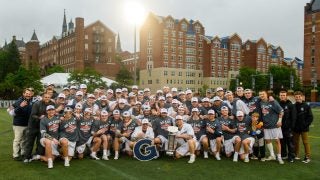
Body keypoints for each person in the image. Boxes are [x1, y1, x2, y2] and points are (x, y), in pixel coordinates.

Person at [23, 93, 55, 163]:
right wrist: (39, 117)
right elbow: (33, 115)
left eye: (48, 97)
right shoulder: (37, 104)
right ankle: (26, 157)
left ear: (50, 97)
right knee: (29, 142)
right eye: (45, 97)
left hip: (42, 127)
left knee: (40, 143)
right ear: (42, 97)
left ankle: (37, 156)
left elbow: (53, 113)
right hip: (33, 126)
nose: (47, 98)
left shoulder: (52, 104)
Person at [257, 90, 284, 164]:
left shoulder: (272, 101)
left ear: (266, 94)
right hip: (266, 125)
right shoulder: (260, 102)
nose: (261, 95)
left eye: (263, 94)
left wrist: (280, 121)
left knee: (277, 141)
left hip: (275, 125)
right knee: (268, 140)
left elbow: (281, 111)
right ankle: (272, 155)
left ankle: (279, 157)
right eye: (260, 94)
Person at [11, 88, 33, 161]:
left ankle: (23, 153)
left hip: (27, 124)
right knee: (17, 140)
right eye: (26, 93)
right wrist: (20, 106)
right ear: (23, 93)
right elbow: (12, 113)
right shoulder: (18, 101)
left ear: (31, 95)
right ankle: (15, 155)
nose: (28, 95)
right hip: (18, 125)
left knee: (24, 140)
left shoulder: (31, 102)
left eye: (29, 94)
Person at [293, 91, 313, 163]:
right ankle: (296, 155)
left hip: (304, 128)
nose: (297, 98)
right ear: (294, 98)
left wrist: (305, 125)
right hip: (295, 128)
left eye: (299, 97)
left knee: (305, 142)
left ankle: (307, 157)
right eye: (296, 97)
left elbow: (310, 117)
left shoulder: (306, 106)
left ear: (301, 97)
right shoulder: (293, 106)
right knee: (296, 142)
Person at [279, 90, 297, 162]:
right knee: (282, 142)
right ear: (279, 96)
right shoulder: (278, 104)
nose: (282, 96)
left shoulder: (290, 105)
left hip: (288, 128)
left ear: (286, 96)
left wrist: (291, 127)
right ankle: (284, 154)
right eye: (281, 95)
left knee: (290, 143)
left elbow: (294, 117)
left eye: (284, 95)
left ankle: (291, 156)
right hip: (280, 127)